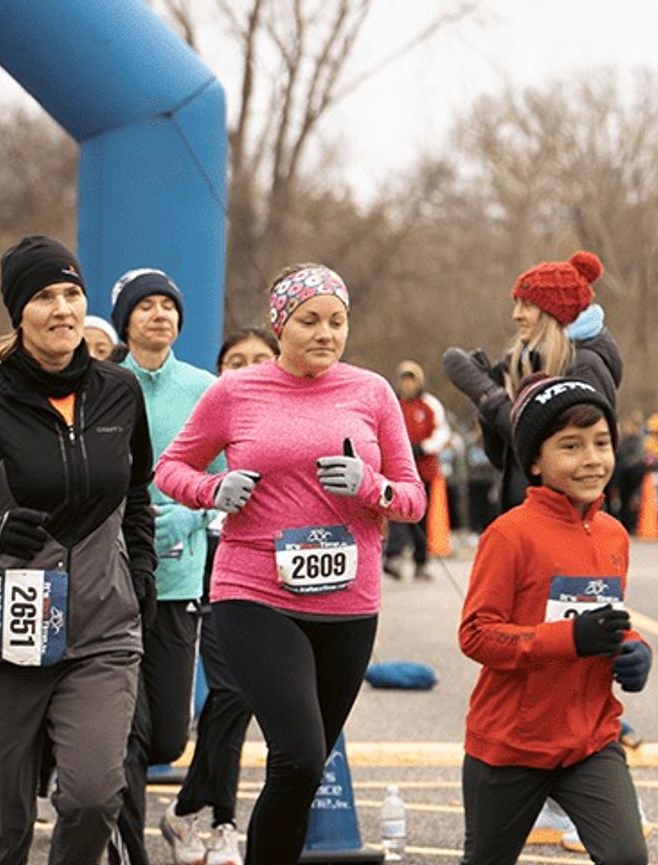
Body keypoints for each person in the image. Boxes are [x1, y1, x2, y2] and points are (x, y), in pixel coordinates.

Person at [156, 263, 426, 865]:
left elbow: (414, 498)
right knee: (298, 755)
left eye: (337, 321)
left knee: (305, 772)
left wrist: (370, 486)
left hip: (349, 602)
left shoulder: (372, 392)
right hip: (254, 591)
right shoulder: (235, 391)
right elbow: (170, 469)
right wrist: (214, 490)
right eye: (309, 321)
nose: (325, 333)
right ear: (281, 325)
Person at [0, 235, 156, 865]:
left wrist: (143, 577)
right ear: (18, 312)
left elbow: (135, 495)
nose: (62, 309)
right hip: (1, 637)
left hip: (101, 632)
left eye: (72, 294)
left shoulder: (119, 393)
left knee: (93, 797)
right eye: (44, 296)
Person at [458, 373, 649, 865]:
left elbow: (606, 620)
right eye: (571, 446)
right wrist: (570, 639)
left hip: (590, 741)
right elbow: (477, 635)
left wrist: (634, 647)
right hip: (509, 747)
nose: (592, 459)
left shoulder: (613, 535)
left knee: (628, 857)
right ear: (537, 462)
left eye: (601, 443)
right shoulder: (509, 535)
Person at [106, 268, 215, 865]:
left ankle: (149, 803)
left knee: (167, 732)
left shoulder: (204, 388)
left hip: (177, 578)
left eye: (168, 306)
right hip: (112, 580)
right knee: (126, 728)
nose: (159, 316)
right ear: (125, 320)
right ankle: (127, 848)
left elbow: (227, 475)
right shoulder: (102, 383)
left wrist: (190, 514)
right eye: (145, 306)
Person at [159, 327, 279, 865]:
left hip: (272, 571)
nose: (248, 368)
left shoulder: (295, 419)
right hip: (201, 566)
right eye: (236, 360)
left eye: (260, 359)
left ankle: (190, 811)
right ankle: (221, 822)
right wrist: (205, 503)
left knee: (238, 697)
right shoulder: (210, 409)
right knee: (227, 692)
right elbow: (177, 473)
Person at [443, 251, 623, 515]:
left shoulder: (585, 366)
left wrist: (491, 397)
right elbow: (505, 459)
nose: (516, 315)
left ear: (554, 312)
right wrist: (485, 405)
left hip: (566, 520)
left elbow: (555, 444)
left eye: (527, 305)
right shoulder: (528, 362)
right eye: (516, 304)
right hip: (524, 517)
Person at [384, 360, 449, 581]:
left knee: (420, 518)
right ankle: (393, 556)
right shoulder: (394, 404)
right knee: (397, 514)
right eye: (404, 379)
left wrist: (422, 447)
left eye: (411, 379)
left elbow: (441, 434)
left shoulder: (430, 405)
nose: (408, 384)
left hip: (424, 470)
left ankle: (421, 561)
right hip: (399, 471)